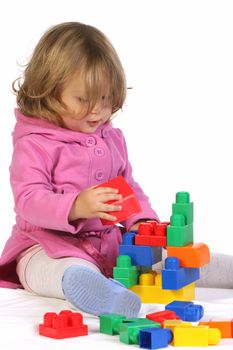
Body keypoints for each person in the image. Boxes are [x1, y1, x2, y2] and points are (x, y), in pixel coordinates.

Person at [0, 22, 160, 317]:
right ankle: (100, 295)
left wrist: (140, 221)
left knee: (164, 256)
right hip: (44, 246)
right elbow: (29, 200)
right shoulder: (34, 143)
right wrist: (75, 205)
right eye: (83, 100)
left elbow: (127, 187)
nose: (97, 110)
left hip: (108, 247)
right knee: (62, 269)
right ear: (47, 91)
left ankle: (211, 266)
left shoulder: (111, 138)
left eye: (105, 97)